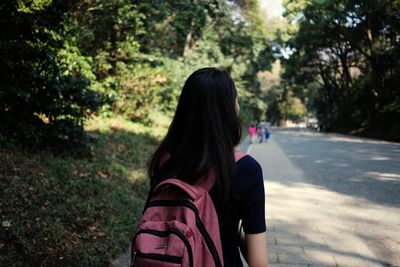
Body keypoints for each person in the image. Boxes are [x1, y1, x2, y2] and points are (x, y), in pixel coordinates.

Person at [147, 68, 268, 267]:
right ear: (229, 109)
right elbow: (258, 262)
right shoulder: (246, 169)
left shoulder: (165, 160)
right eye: (235, 100)